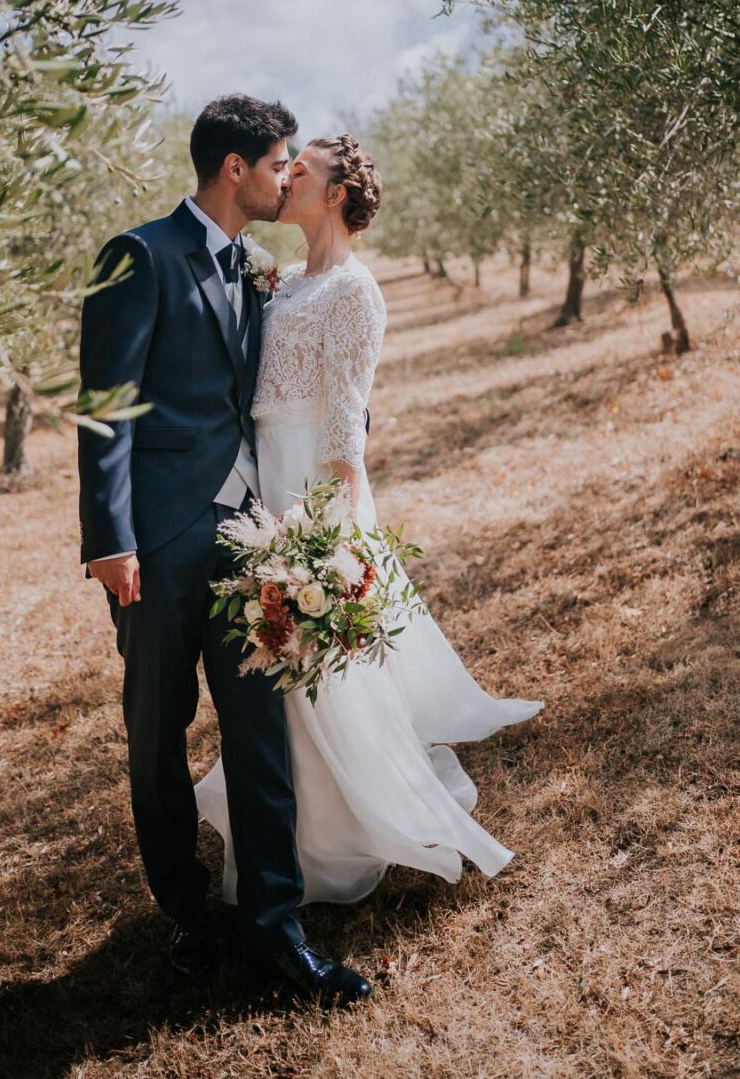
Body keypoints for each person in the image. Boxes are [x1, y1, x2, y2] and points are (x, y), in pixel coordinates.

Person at [195, 134, 544, 906]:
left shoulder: (355, 291)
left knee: (319, 666)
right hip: (260, 482)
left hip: (313, 491)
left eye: (301, 170)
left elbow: (347, 426)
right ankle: (281, 832)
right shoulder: (280, 281)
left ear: (335, 195)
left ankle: (341, 834)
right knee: (274, 671)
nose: (284, 177)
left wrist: (328, 543)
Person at [77, 96, 372, 1005]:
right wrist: (110, 539)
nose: (290, 177)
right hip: (158, 546)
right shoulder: (141, 255)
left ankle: (278, 930)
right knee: (156, 739)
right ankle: (188, 918)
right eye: (280, 162)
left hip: (254, 544)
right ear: (236, 169)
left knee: (260, 738)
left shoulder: (255, 266)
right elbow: (106, 406)